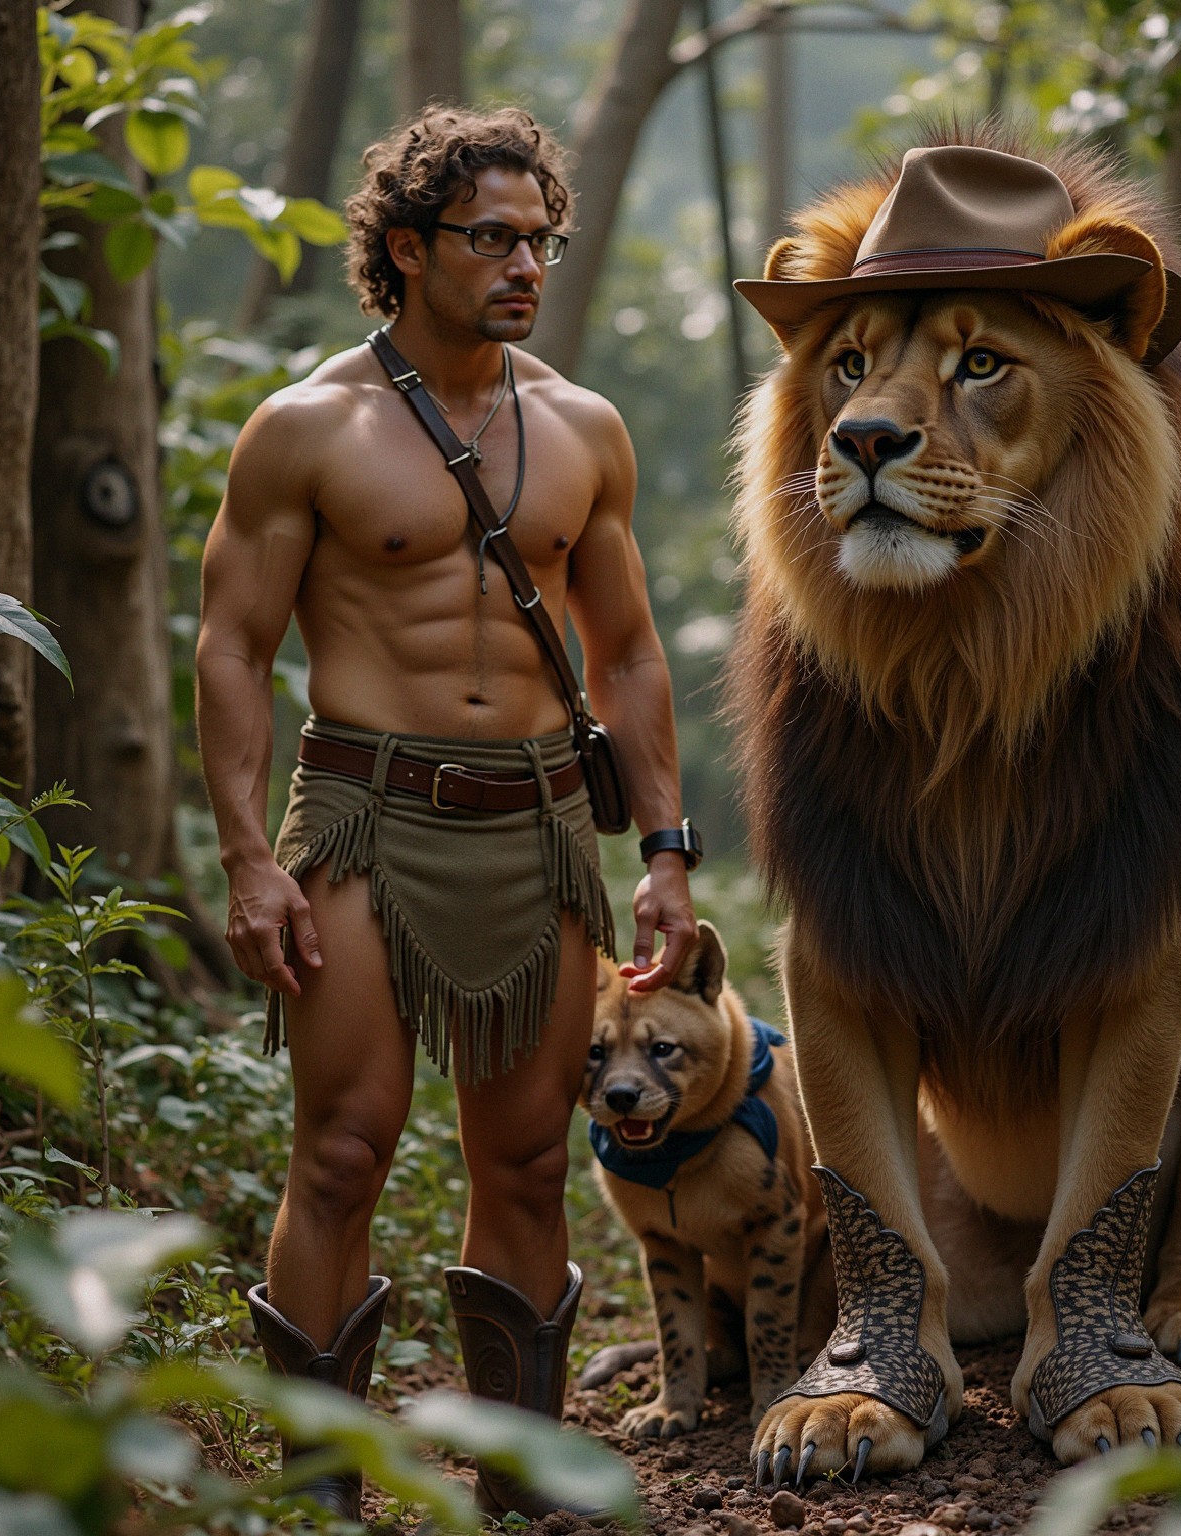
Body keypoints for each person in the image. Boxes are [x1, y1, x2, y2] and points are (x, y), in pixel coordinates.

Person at [194, 105, 699, 1524]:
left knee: (531, 1158)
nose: (524, 262)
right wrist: (248, 857)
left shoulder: (584, 429)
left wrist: (663, 850)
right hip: (365, 812)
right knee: (344, 1150)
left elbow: (633, 654)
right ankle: (316, 1496)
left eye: (539, 237)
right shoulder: (305, 430)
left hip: (540, 825)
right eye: (492, 237)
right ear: (408, 250)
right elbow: (231, 646)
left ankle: (521, 1492)